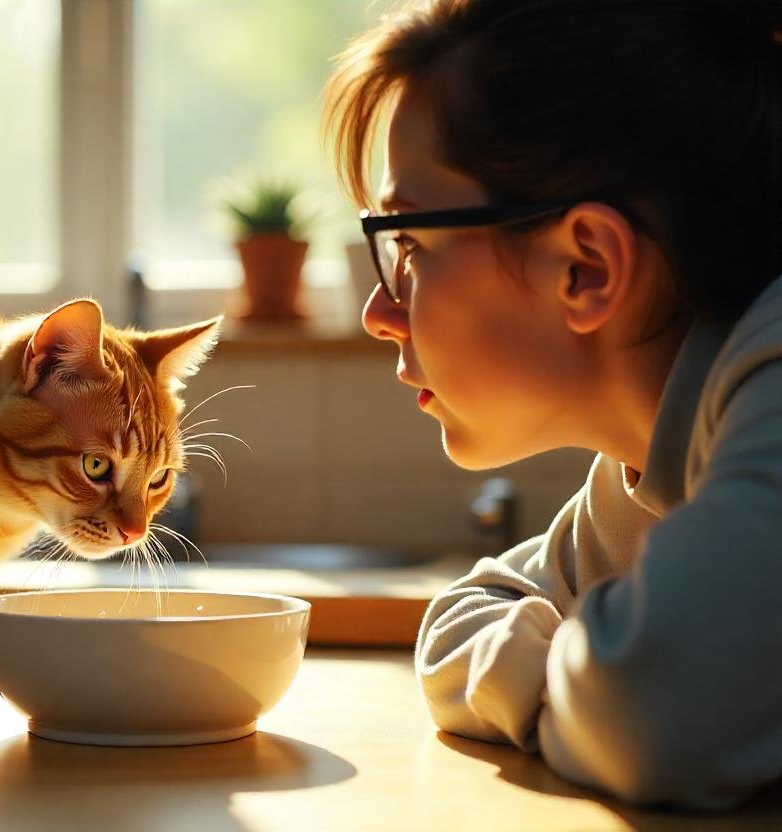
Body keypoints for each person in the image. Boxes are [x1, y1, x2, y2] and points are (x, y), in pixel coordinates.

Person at [322, 0, 781, 809]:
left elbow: (654, 716)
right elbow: (467, 614)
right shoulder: (648, 470)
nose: (379, 312)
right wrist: (579, 668)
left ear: (587, 268)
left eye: (412, 245)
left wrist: (573, 673)